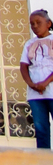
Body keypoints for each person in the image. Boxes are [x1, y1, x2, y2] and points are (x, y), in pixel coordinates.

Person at [20, 8, 53, 151]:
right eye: (32, 24)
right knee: (40, 127)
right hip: (35, 94)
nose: (35, 26)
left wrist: (45, 82)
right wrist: (31, 84)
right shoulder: (29, 43)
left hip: (51, 90)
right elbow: (23, 65)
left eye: (38, 23)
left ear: (48, 24)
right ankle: (44, 157)